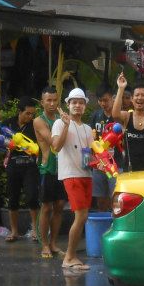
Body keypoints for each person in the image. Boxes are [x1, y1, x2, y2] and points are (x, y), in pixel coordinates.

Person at [50, 88, 93, 271]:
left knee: (82, 217)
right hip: (71, 175)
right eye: (74, 102)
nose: (77, 105)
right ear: (68, 105)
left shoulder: (88, 129)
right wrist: (66, 125)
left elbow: (90, 155)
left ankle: (71, 255)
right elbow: (56, 148)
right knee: (81, 216)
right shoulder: (60, 124)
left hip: (86, 174)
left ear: (85, 106)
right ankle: (69, 257)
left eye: (81, 102)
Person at [33, 86, 67, 259]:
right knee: (46, 207)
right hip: (48, 168)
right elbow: (54, 144)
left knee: (60, 206)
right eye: (49, 100)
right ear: (42, 102)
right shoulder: (39, 121)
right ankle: (44, 244)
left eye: (55, 100)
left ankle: (53, 243)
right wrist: (66, 126)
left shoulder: (63, 119)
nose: (52, 103)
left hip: (64, 168)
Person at [4, 97, 40, 242]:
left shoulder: (34, 125)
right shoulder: (9, 124)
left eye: (32, 114)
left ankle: (35, 230)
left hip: (30, 165)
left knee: (32, 196)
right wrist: (8, 146)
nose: (30, 117)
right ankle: (14, 231)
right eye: (27, 113)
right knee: (13, 198)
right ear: (19, 112)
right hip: (13, 164)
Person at [89, 86, 124, 211]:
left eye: (106, 100)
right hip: (99, 165)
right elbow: (90, 139)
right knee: (100, 198)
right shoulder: (95, 116)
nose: (103, 103)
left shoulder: (119, 116)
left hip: (115, 164)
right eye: (100, 100)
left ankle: (114, 223)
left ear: (113, 99)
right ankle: (102, 222)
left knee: (115, 197)